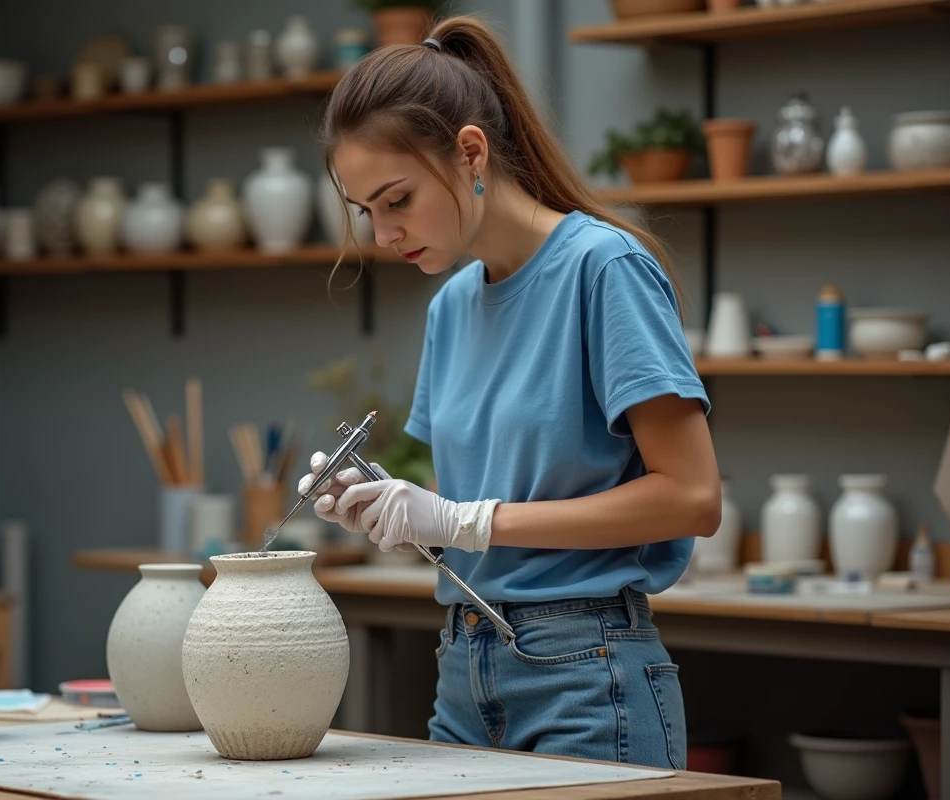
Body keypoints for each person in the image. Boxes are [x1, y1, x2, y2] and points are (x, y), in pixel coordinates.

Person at [297, 15, 721, 770]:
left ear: (469, 152)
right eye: (367, 212)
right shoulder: (451, 308)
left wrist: (466, 518)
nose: (385, 232)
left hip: (585, 675)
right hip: (465, 667)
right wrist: (391, 502)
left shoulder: (604, 269)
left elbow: (693, 497)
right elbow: (486, 495)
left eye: (397, 199)